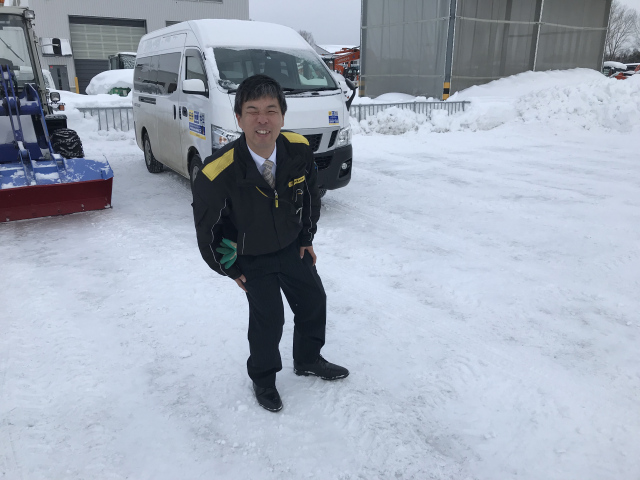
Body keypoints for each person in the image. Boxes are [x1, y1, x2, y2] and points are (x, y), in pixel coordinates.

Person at [191, 74, 349, 412]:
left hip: (291, 246)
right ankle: (263, 379)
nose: (262, 120)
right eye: (252, 111)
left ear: (282, 115)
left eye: (271, 110)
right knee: (269, 320)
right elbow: (208, 231)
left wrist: (306, 237)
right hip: (251, 257)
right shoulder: (216, 173)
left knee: (313, 301)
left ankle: (307, 359)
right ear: (238, 118)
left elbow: (310, 195)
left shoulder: (298, 149)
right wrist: (229, 267)